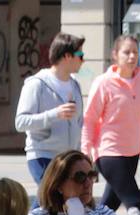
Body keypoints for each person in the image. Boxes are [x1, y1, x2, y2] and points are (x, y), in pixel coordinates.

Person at [81, 35, 140, 215]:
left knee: (107, 206)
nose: (132, 56)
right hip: (108, 153)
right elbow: (89, 119)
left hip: (131, 154)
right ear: (115, 55)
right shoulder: (103, 83)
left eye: (135, 51)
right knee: (134, 201)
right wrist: (85, 150)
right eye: (126, 52)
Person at [15, 33, 86, 184]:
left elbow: (80, 122)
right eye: (80, 55)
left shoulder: (75, 85)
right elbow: (21, 122)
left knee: (56, 202)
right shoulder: (37, 84)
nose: (83, 60)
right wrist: (55, 114)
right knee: (50, 198)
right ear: (67, 56)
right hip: (43, 154)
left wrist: (81, 153)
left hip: (69, 157)